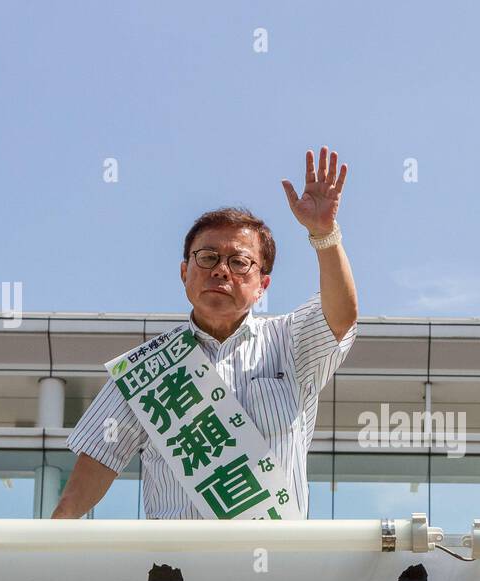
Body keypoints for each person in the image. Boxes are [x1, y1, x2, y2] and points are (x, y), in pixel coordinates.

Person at [52, 147, 358, 519]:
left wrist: (324, 234)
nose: (221, 271)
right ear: (185, 272)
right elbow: (89, 476)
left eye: (239, 262)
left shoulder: (290, 341)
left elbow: (340, 317)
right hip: (175, 570)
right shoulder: (146, 370)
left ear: (262, 284)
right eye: (208, 257)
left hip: (276, 568)